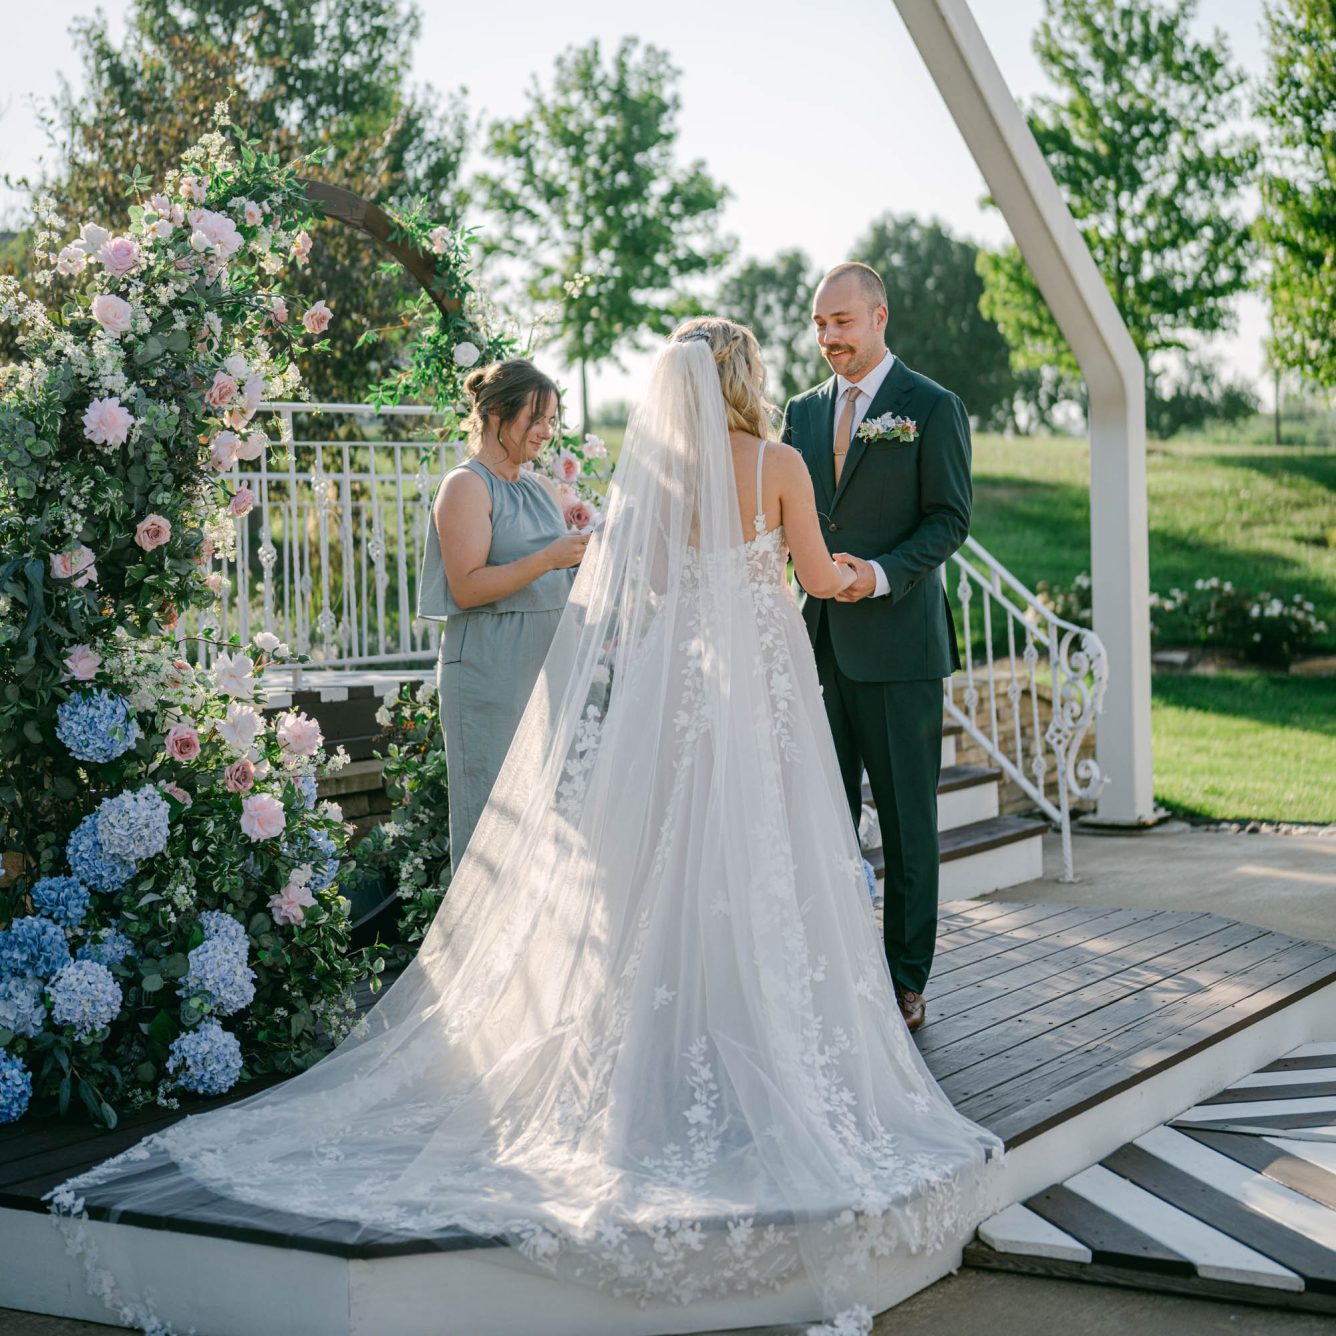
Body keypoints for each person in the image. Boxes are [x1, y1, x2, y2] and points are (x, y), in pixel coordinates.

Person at [52, 320, 1001, 1336]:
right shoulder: (774, 463)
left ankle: (656, 1063)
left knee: (657, 870)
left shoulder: (661, 478)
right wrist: (865, 576)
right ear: (743, 376)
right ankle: (752, 1061)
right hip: (756, 696)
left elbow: (631, 594)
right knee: (763, 866)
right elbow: (815, 579)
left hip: (674, 695)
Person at [781, 263, 973, 1035]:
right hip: (816, 647)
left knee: (904, 824)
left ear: (879, 317)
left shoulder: (931, 406)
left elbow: (949, 520)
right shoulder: (797, 413)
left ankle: (904, 980)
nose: (830, 338)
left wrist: (882, 575)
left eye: (843, 323)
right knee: (821, 818)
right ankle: (831, 970)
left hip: (899, 650)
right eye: (821, 325)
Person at [417, 358, 588, 863]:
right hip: (491, 670)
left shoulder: (539, 487)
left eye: (551, 420)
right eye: (534, 419)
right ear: (494, 413)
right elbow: (466, 588)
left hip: (547, 664)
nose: (545, 432)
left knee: (552, 822)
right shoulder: (466, 486)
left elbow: (559, 576)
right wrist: (548, 558)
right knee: (493, 822)